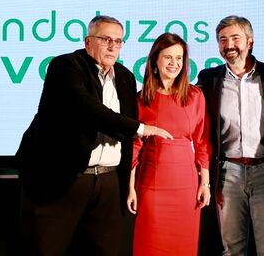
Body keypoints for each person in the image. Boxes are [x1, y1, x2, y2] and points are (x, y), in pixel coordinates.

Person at [15, 15, 173, 256]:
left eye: (118, 41)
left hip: (108, 182)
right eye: (105, 39)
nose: (112, 46)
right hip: (63, 178)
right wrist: (140, 129)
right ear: (88, 42)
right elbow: (88, 108)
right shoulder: (66, 66)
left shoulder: (125, 77)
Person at [197, 15, 264, 255]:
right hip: (227, 174)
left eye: (235, 38)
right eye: (223, 40)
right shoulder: (209, 78)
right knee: (231, 249)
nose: (229, 45)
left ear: (250, 41)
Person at [126, 32, 212, 255]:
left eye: (179, 58)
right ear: (155, 60)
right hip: (151, 186)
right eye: (168, 57)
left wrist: (205, 183)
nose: (174, 63)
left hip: (186, 187)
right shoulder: (140, 99)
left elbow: (202, 142)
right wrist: (130, 187)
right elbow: (134, 147)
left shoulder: (195, 96)